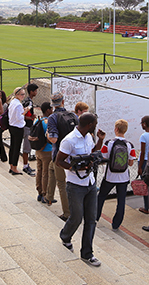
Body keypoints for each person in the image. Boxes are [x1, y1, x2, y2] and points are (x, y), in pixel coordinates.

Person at [57, 113, 105, 267]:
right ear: (90, 124)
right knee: (77, 218)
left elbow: (91, 153)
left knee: (91, 219)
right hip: (75, 184)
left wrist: (101, 140)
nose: (96, 124)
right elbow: (58, 161)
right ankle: (65, 236)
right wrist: (73, 167)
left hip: (90, 183)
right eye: (95, 123)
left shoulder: (88, 136)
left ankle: (87, 254)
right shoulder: (69, 140)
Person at [46, 95, 89, 221]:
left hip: (60, 154)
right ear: (63, 102)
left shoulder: (53, 117)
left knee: (61, 183)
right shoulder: (73, 116)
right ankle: (48, 196)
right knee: (51, 169)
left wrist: (47, 134)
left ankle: (67, 213)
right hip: (74, 153)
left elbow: (53, 139)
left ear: (52, 104)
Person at [96, 119, 136, 230]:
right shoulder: (130, 145)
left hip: (110, 176)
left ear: (116, 129)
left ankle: (95, 217)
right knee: (121, 201)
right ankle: (116, 224)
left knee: (101, 197)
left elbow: (103, 158)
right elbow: (131, 163)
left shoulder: (109, 143)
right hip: (123, 178)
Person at [29, 102, 55, 203]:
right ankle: (45, 194)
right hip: (47, 150)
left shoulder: (37, 120)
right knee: (46, 173)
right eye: (51, 109)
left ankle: (39, 192)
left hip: (38, 150)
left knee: (39, 171)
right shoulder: (47, 122)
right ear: (48, 110)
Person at [7, 87, 29, 175]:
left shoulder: (13, 102)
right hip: (17, 128)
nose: (23, 96)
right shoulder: (18, 104)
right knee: (16, 148)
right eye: (22, 94)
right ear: (17, 95)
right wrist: (25, 111)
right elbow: (19, 117)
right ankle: (14, 168)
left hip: (12, 126)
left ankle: (11, 165)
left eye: (24, 94)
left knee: (12, 147)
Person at [137, 115, 149, 214]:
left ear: (144, 124)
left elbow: (143, 152)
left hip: (145, 162)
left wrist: (140, 167)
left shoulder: (143, 136)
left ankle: (146, 207)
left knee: (145, 185)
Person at [21, 83, 39, 176]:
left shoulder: (26, 101)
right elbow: (23, 115)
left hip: (26, 126)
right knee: (26, 148)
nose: (36, 92)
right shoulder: (29, 102)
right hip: (27, 127)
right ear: (31, 92)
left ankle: (26, 164)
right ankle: (25, 166)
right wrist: (31, 117)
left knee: (27, 147)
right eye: (35, 91)